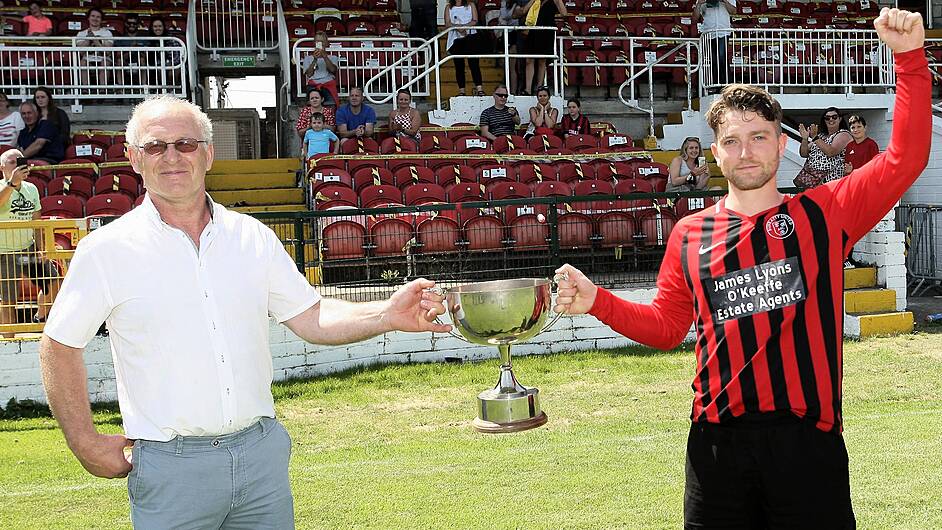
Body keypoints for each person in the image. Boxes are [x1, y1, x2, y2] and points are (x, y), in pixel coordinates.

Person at [553, 9, 927, 528]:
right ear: (715, 153)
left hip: (806, 444)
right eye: (732, 140)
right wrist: (599, 301)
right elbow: (667, 328)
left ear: (781, 143)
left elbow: (906, 157)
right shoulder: (689, 233)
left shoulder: (823, 212)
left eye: (758, 137)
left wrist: (909, 59)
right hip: (716, 447)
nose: (745, 151)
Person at [37, 95, 451, 528]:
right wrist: (83, 441)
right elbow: (59, 345)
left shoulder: (252, 236)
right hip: (171, 467)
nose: (172, 157)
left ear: (210, 153)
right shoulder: (105, 251)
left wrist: (385, 313)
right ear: (134, 159)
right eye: (155, 146)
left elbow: (310, 316)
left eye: (186, 143)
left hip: (261, 460)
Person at [0, 149, 61, 336]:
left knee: (53, 282)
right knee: (9, 300)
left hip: (27, 251)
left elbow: (37, 220)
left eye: (19, 161)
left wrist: (41, 248)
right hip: (4, 253)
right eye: (12, 162)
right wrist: (11, 184)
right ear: (2, 167)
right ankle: (9, 342)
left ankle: (39, 319)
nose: (16, 165)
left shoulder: (31, 189)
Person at [513, 0, 567, 95]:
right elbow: (523, 11)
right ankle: (528, 89)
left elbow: (564, 13)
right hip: (532, 31)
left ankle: (539, 88)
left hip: (546, 32)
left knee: (542, 61)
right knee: (529, 60)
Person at [799, 107, 853, 186]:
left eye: (834, 117)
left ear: (840, 119)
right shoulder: (821, 136)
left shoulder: (844, 134)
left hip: (833, 182)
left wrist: (815, 137)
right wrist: (804, 139)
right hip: (815, 183)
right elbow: (803, 153)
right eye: (827, 118)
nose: (831, 119)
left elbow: (831, 152)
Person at [693, 0, 736, 91]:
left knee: (721, 56)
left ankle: (727, 85)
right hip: (709, 32)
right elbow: (694, 18)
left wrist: (725, 1)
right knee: (713, 59)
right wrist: (699, 4)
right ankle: (717, 85)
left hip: (723, 31)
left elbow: (734, 11)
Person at [445, 0, 483, 97]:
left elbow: (475, 20)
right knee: (459, 66)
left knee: (474, 64)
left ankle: (479, 89)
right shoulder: (449, 7)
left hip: (470, 37)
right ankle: (461, 90)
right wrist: (458, 28)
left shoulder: (471, 5)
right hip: (456, 39)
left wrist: (464, 27)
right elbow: (447, 23)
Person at [76, 8, 114, 89]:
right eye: (93, 16)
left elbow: (107, 52)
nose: (95, 19)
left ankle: (103, 89)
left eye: (98, 17)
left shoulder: (107, 33)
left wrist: (96, 42)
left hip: (103, 58)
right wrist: (88, 40)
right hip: (88, 59)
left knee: (105, 62)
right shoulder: (81, 33)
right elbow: (81, 52)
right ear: (88, 18)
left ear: (101, 20)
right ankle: (85, 89)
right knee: (83, 61)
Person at [302, 32, 339, 107]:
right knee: (311, 107)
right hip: (313, 85)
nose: (319, 43)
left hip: (328, 85)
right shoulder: (308, 58)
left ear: (326, 43)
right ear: (314, 43)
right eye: (317, 41)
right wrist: (315, 59)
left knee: (331, 106)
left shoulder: (333, 57)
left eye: (322, 41)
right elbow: (309, 74)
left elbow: (333, 70)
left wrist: (325, 56)